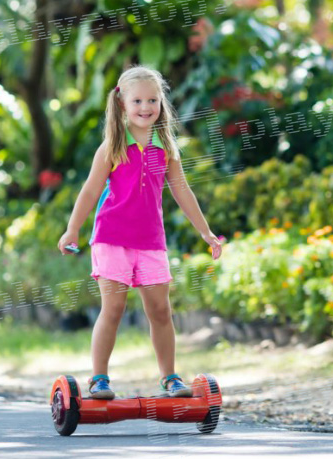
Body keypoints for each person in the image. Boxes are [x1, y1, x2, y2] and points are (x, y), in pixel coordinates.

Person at [57, 65, 223, 400]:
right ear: (122, 105)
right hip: (111, 238)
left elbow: (182, 192)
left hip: (150, 242)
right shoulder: (111, 147)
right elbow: (90, 191)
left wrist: (205, 232)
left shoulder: (167, 148)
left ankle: (170, 378)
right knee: (114, 309)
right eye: (137, 101)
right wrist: (72, 229)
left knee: (160, 311)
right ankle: (99, 379)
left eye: (153, 100)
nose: (146, 107)